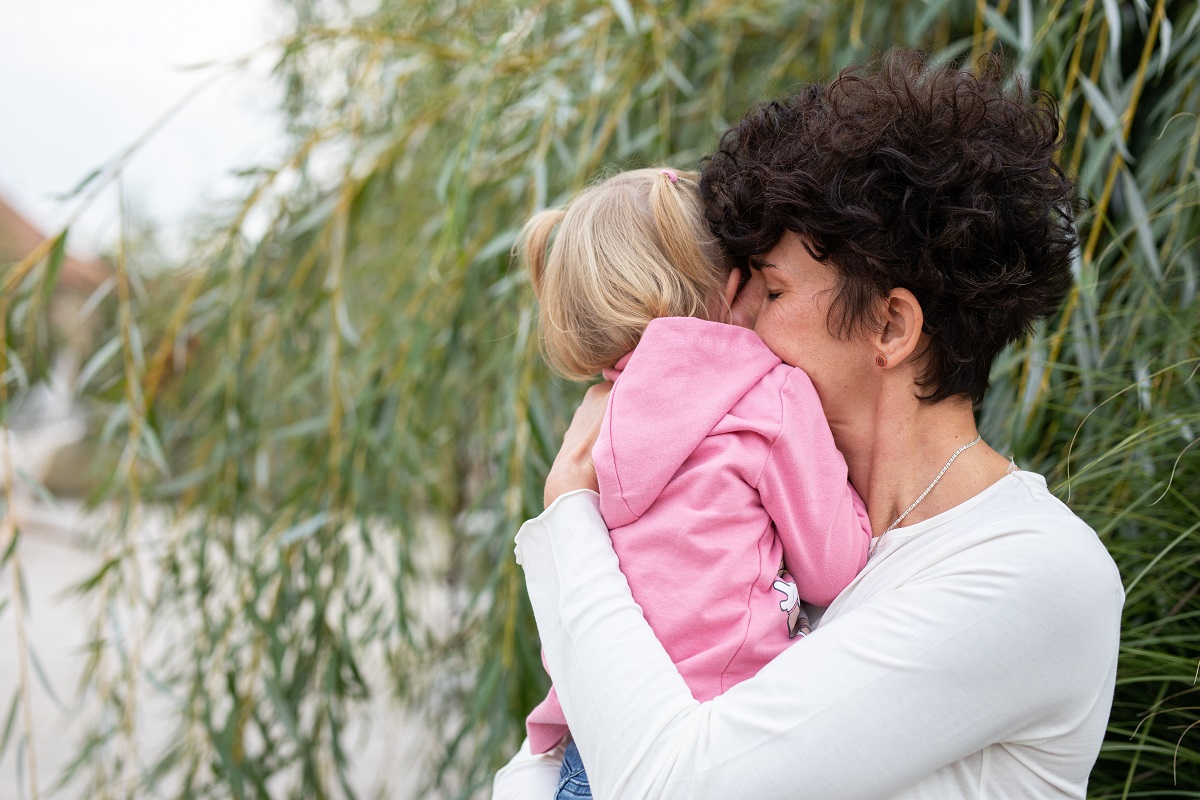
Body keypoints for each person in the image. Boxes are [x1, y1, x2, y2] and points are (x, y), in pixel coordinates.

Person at [493, 49, 1124, 799]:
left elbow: (672, 786)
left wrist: (570, 511)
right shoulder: (767, 517)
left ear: (891, 326)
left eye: (770, 288)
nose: (733, 319)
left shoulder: (1034, 571)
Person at [516, 166, 873, 799]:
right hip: (711, 745)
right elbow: (834, 569)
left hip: (590, 754)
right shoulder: (767, 394)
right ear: (735, 286)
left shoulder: (600, 424)